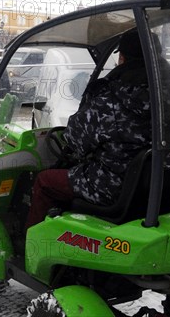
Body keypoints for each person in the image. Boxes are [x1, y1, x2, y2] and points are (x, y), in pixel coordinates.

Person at [25, 30, 155, 229]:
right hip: (157, 186)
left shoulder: (111, 100)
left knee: (45, 181)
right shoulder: (165, 96)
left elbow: (74, 139)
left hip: (111, 187)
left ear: (122, 58)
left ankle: (29, 245)